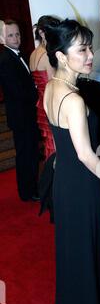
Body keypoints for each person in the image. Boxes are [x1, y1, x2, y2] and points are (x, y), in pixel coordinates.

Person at [43, 19, 100, 304]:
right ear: (62, 56)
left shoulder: (52, 86)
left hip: (65, 181)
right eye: (82, 49)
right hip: (81, 184)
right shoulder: (74, 100)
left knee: (76, 249)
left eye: (90, 47)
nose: (90, 55)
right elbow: (86, 155)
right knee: (83, 247)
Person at [0, 19, 40, 201]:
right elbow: (17, 91)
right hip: (21, 116)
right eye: (10, 35)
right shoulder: (6, 59)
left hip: (26, 115)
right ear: (2, 39)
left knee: (30, 152)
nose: (15, 38)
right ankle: (27, 192)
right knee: (26, 154)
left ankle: (31, 187)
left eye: (17, 34)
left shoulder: (20, 55)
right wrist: (38, 93)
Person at [30, 15, 60, 160]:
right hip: (50, 103)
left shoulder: (33, 54)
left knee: (49, 141)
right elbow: (54, 84)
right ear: (41, 33)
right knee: (55, 143)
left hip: (41, 104)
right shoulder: (47, 55)